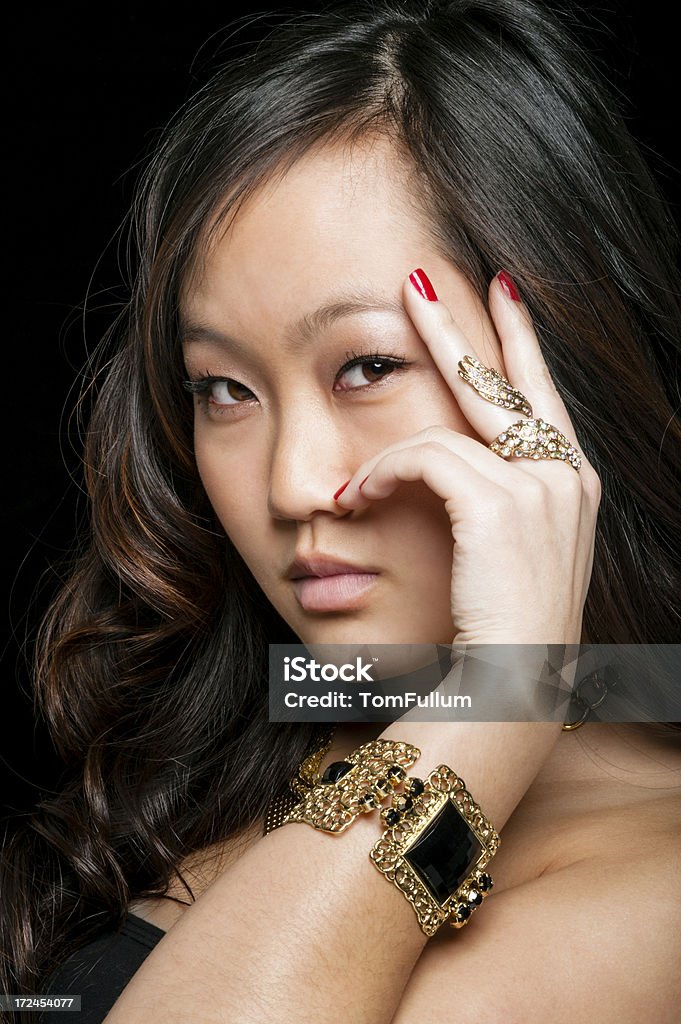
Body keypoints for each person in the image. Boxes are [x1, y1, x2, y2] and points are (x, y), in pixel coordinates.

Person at [2, 1, 680, 1021]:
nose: (288, 485)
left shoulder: (659, 891)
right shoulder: (211, 763)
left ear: (561, 372)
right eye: (223, 388)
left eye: (368, 365)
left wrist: (505, 691)